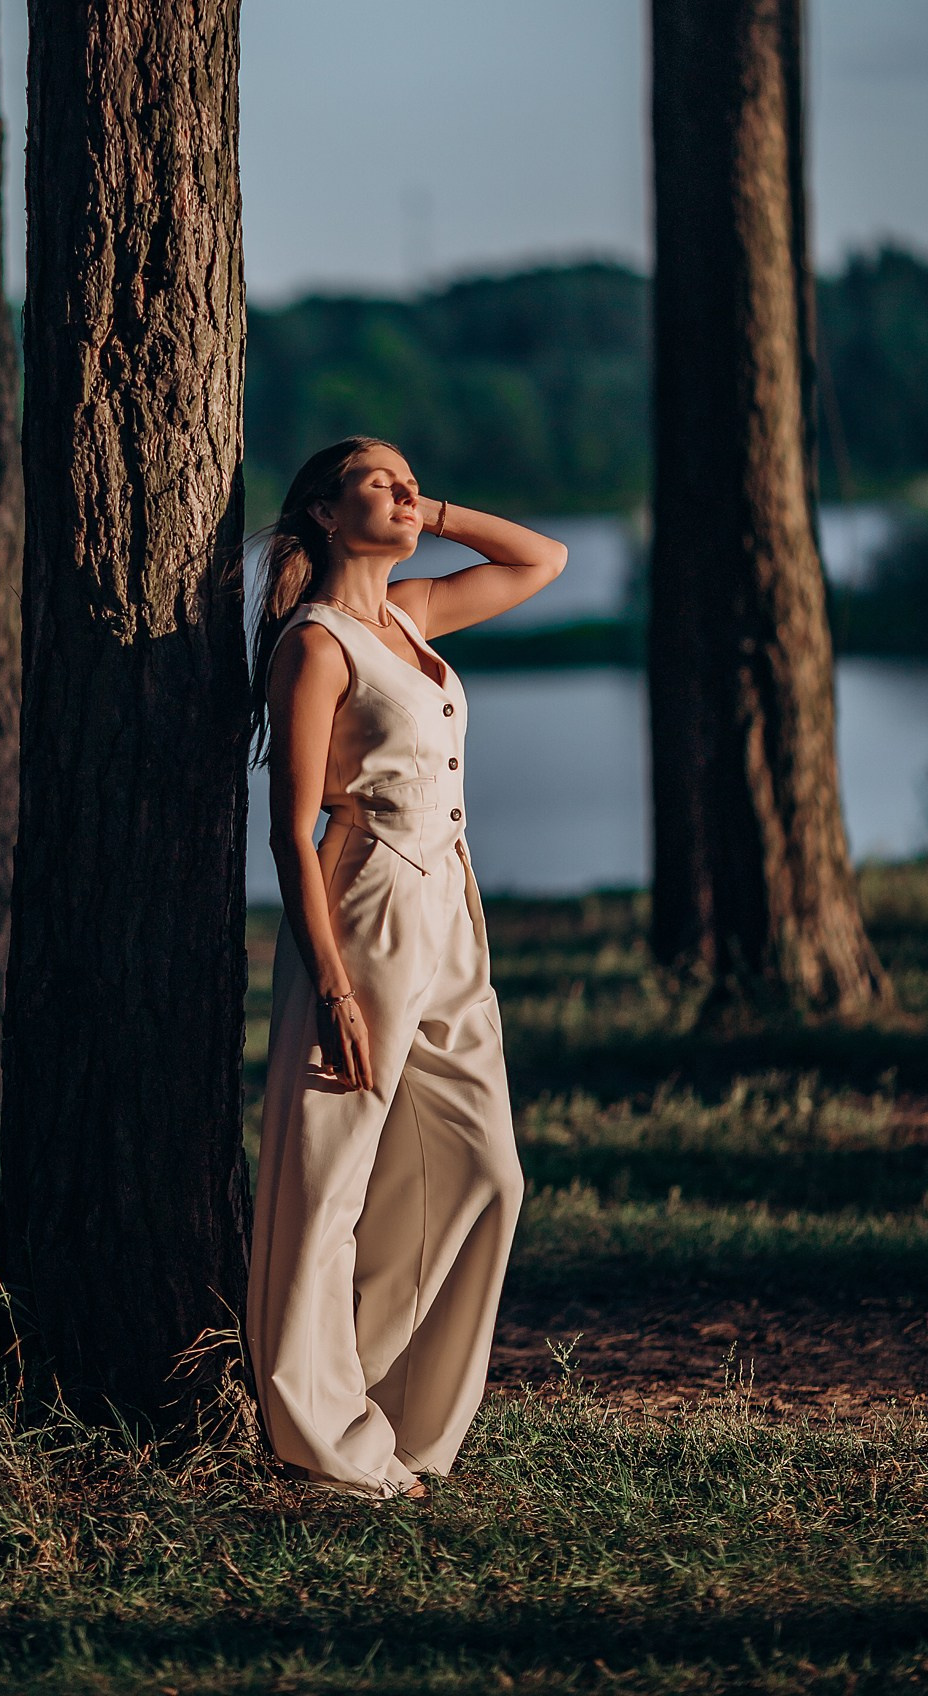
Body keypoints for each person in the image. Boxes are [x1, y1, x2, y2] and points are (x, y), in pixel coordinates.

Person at [246, 437, 568, 1499]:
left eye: (405, 476)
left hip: (450, 904)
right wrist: (330, 983)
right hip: (367, 901)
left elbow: (541, 560)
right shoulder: (317, 643)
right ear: (325, 516)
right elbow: (291, 831)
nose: (400, 489)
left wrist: (439, 511)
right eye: (374, 481)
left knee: (486, 1172)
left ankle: (399, 1420)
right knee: (325, 1175)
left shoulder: (411, 617)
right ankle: (321, 1438)